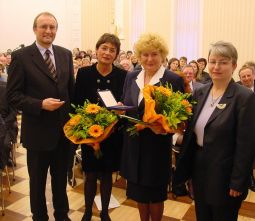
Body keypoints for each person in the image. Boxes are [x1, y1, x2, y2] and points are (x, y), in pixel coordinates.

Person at [173, 41, 255, 221]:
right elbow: (192, 133)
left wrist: (238, 181)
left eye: (223, 62)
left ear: (234, 65)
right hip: (200, 168)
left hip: (225, 174)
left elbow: (246, 145)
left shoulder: (244, 97)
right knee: (202, 215)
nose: (216, 67)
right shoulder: (200, 92)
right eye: (213, 61)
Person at [6, 12, 75, 221]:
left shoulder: (65, 54)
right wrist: (39, 104)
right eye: (44, 27)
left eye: (52, 27)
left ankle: (62, 215)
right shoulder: (21, 57)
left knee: (60, 179)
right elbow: (12, 96)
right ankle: (40, 217)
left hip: (63, 133)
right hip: (37, 133)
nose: (48, 31)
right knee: (37, 182)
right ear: (35, 29)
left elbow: (70, 92)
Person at [120, 33, 184, 221]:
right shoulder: (132, 76)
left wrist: (164, 128)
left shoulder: (173, 79)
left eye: (154, 54)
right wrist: (120, 109)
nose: (149, 59)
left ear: (162, 55)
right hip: (133, 145)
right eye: (145, 54)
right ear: (139, 56)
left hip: (156, 147)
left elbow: (179, 119)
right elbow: (127, 104)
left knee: (155, 195)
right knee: (138, 193)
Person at [74, 33, 127, 221]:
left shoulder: (123, 75)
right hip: (89, 135)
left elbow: (126, 105)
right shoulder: (84, 73)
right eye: (104, 48)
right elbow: (77, 104)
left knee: (106, 175)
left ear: (117, 54)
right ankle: (87, 212)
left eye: (112, 50)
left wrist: (121, 110)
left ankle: (104, 212)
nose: (107, 53)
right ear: (97, 50)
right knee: (89, 175)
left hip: (112, 134)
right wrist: (83, 131)